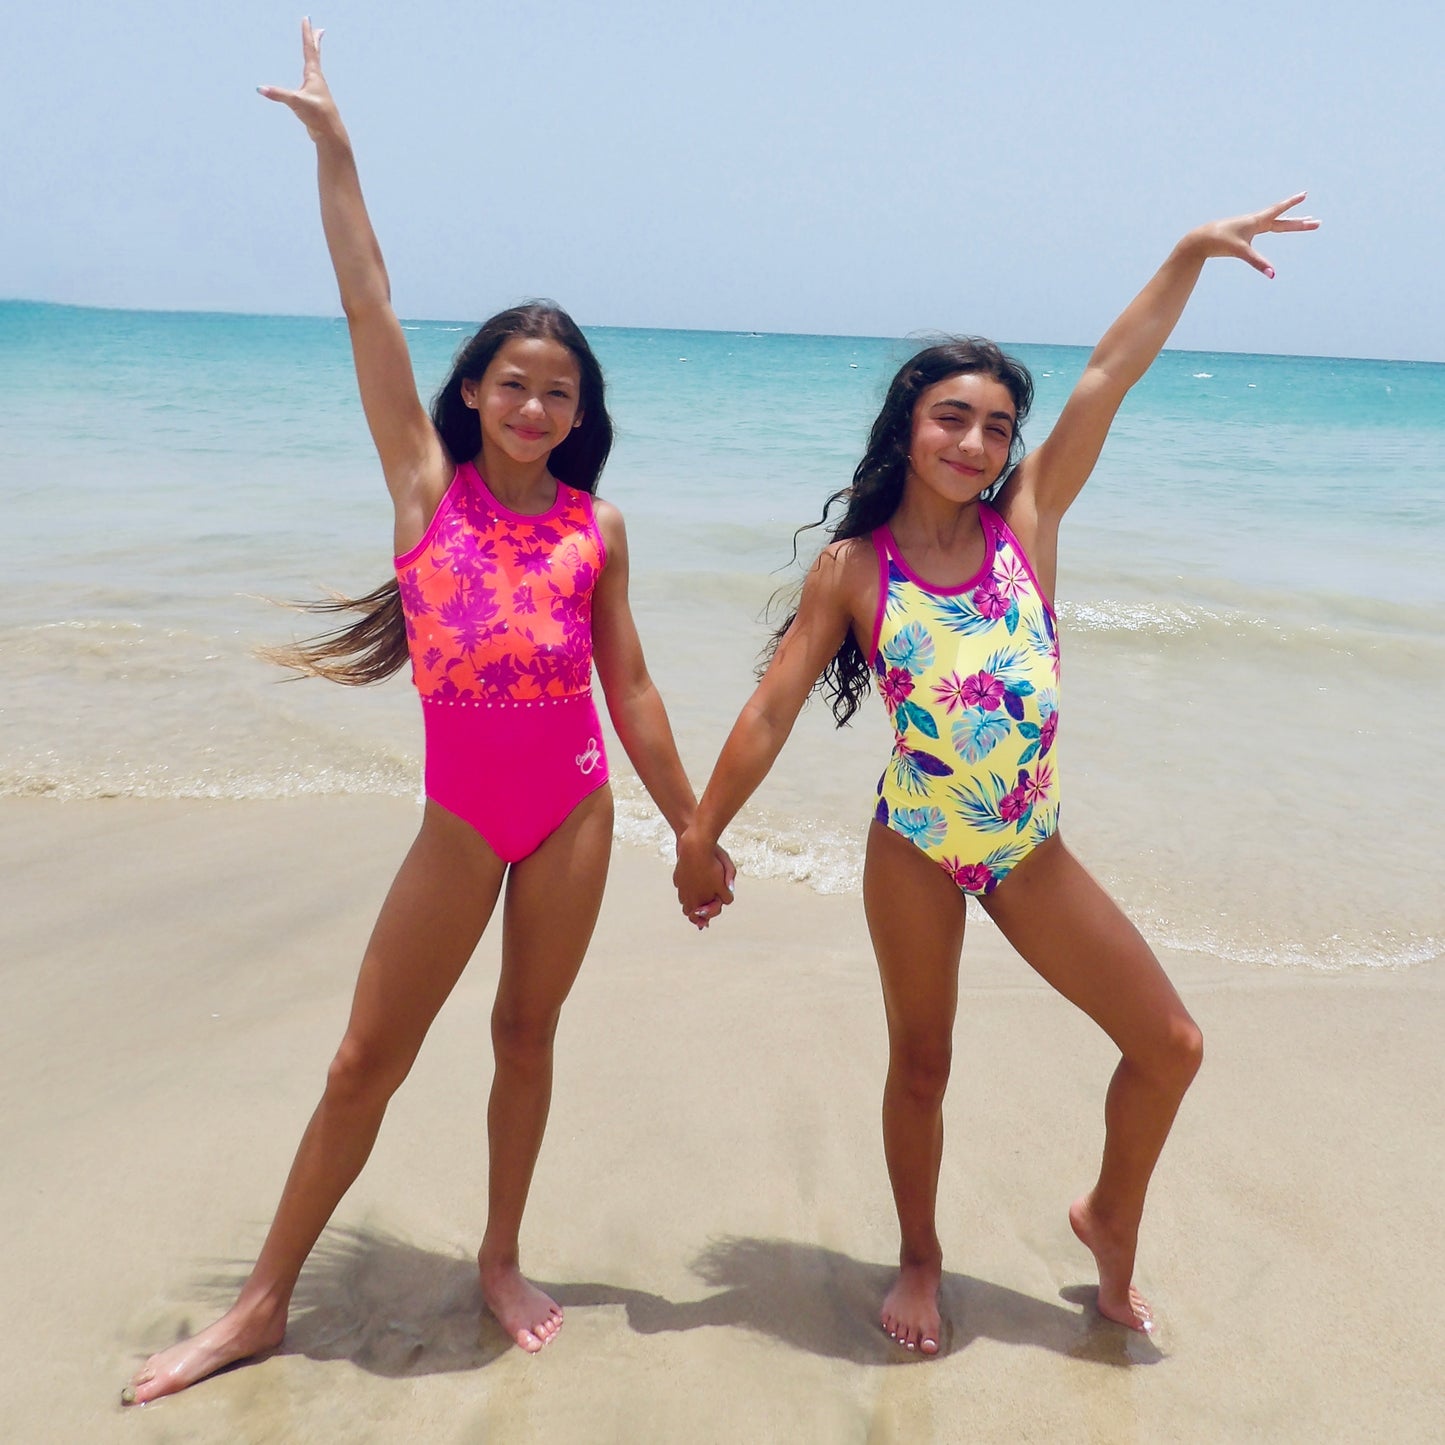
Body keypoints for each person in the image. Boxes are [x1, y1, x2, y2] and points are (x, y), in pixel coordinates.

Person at [125, 20, 731, 1404]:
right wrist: (338, 152)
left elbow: (628, 688)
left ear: (582, 414)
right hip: (460, 819)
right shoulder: (423, 486)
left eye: (558, 389)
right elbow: (367, 306)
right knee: (362, 1059)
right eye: (512, 381)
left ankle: (502, 1255)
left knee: (529, 1037)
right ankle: (261, 1303)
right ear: (470, 392)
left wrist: (694, 826)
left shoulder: (597, 525)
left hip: (572, 810)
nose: (533, 401)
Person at [674, 196, 1318, 1353]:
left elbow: (1106, 377)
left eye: (991, 426)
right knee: (920, 1061)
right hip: (914, 844)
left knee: (1168, 1044)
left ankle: (1105, 1213)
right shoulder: (853, 568)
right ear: (906, 426)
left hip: (1028, 848)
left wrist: (1182, 255)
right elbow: (771, 705)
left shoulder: (1025, 522)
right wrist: (698, 831)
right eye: (950, 418)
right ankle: (918, 1253)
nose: (972, 443)